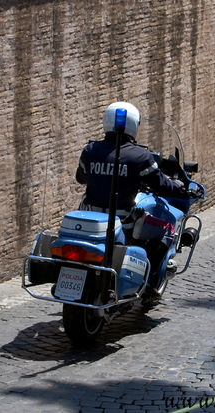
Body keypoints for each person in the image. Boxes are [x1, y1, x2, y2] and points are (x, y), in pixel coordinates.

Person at [75, 101, 187, 295]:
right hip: (124, 221)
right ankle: (151, 282)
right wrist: (178, 188)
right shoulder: (140, 156)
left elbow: (80, 177)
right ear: (134, 125)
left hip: (91, 219)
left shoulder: (90, 151)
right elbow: (160, 184)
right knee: (167, 229)